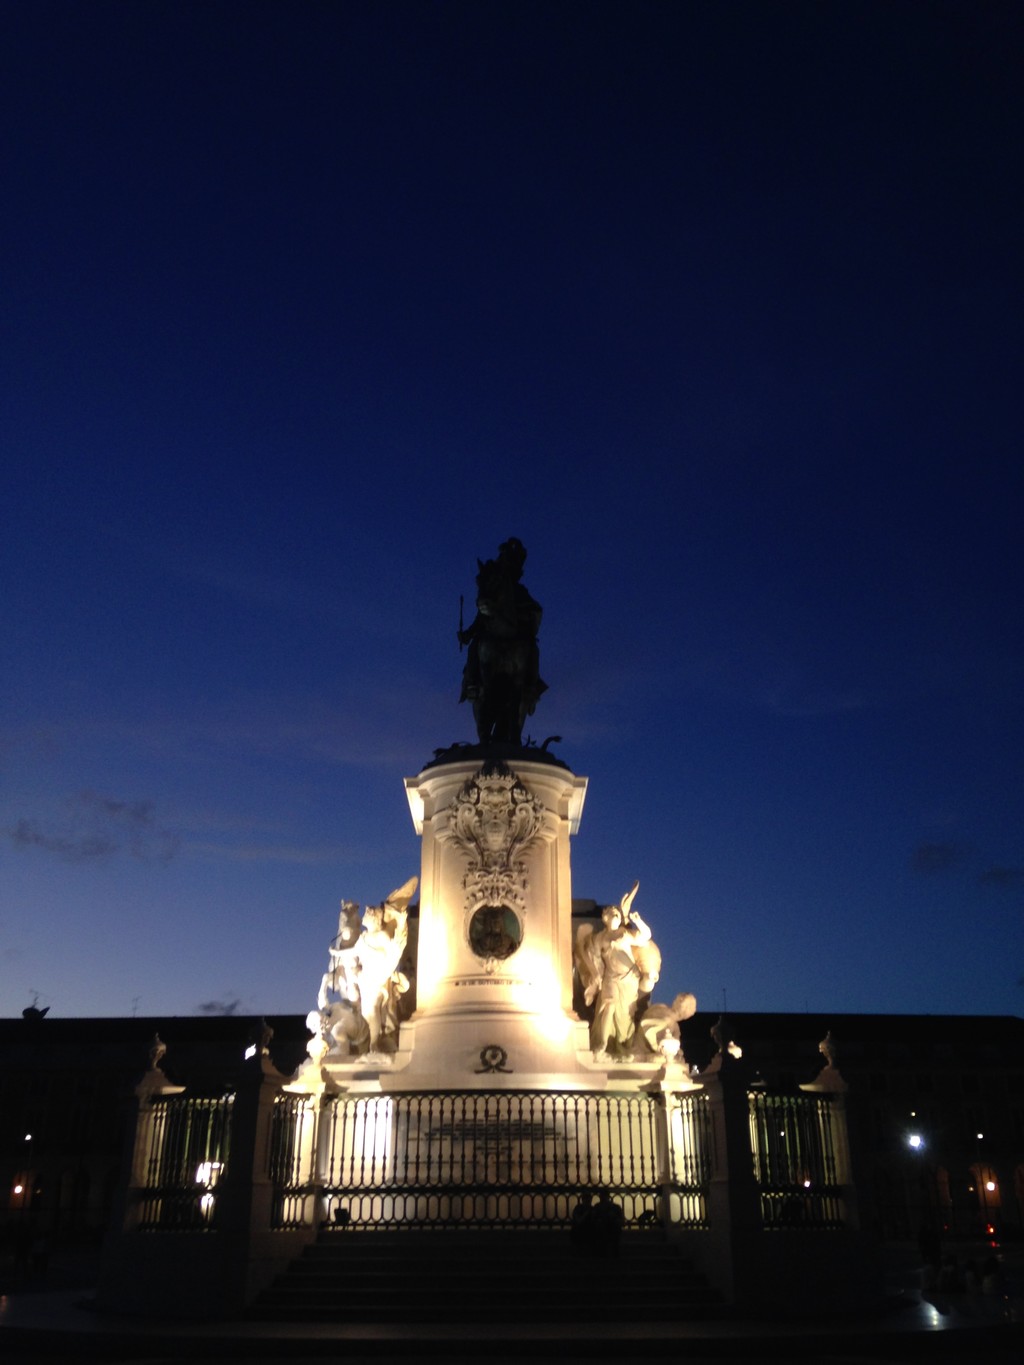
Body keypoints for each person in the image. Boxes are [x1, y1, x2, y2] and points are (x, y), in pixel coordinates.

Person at [459, 538, 547, 744]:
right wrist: (468, 634)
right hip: (491, 634)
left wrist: (525, 618)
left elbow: (535, 611)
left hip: (518, 635)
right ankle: (472, 682)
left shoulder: (519, 591)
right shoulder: (495, 586)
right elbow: (480, 618)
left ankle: (531, 686)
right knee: (475, 648)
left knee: (532, 649)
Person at [575, 883, 661, 1057]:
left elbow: (646, 936)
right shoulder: (599, 938)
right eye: (611, 913)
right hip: (610, 979)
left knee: (625, 1017)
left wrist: (638, 921)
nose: (614, 914)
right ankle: (601, 1044)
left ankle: (623, 1046)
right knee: (609, 1005)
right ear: (604, 918)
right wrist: (593, 975)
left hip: (629, 979)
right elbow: (591, 958)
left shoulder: (624, 934)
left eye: (616, 913)